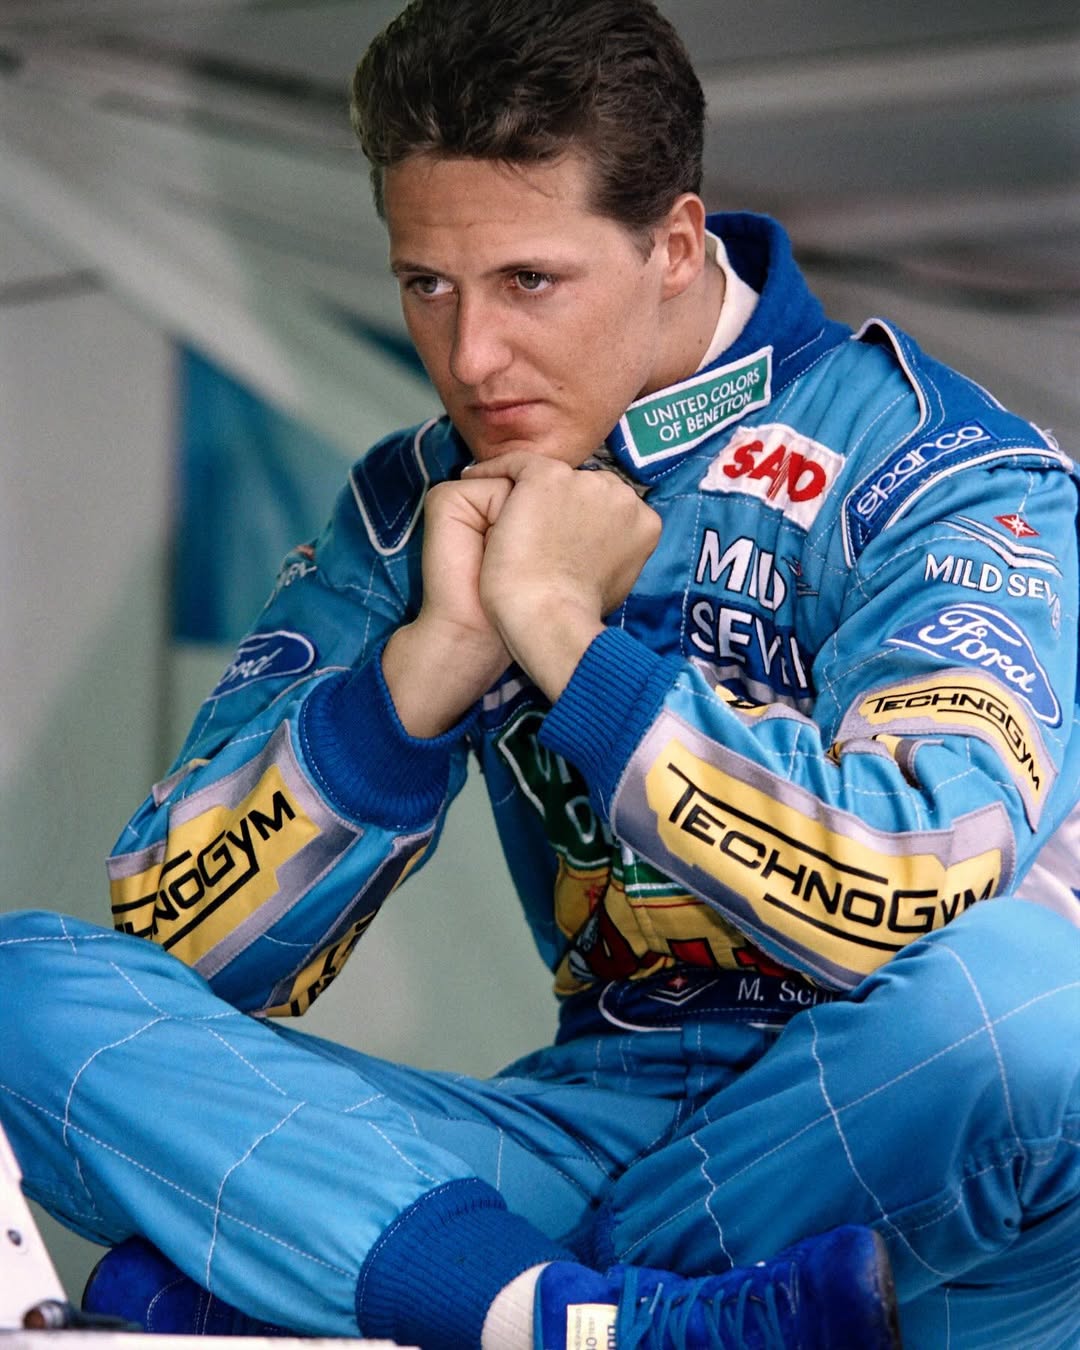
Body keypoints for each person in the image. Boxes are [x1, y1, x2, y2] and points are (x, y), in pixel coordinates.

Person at [1, 0, 1078, 1346]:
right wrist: (429, 668)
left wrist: (568, 641)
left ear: (673, 245)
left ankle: (451, 1292)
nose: (469, 357)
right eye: (427, 285)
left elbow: (922, 879)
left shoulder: (946, 470)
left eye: (528, 282)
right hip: (585, 1132)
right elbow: (179, 949)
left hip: (878, 1140)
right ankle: (593, 1319)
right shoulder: (410, 507)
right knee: (25, 993)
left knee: (1042, 1007)